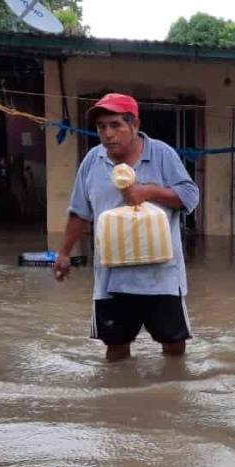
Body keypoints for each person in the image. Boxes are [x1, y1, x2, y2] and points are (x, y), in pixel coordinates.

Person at [53, 93, 200, 363]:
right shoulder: (92, 162)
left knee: (174, 346)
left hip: (161, 278)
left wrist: (149, 191)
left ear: (134, 125)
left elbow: (190, 197)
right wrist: (63, 253)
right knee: (116, 350)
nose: (108, 134)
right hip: (111, 280)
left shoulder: (162, 154)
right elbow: (79, 212)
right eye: (101, 127)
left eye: (115, 125)